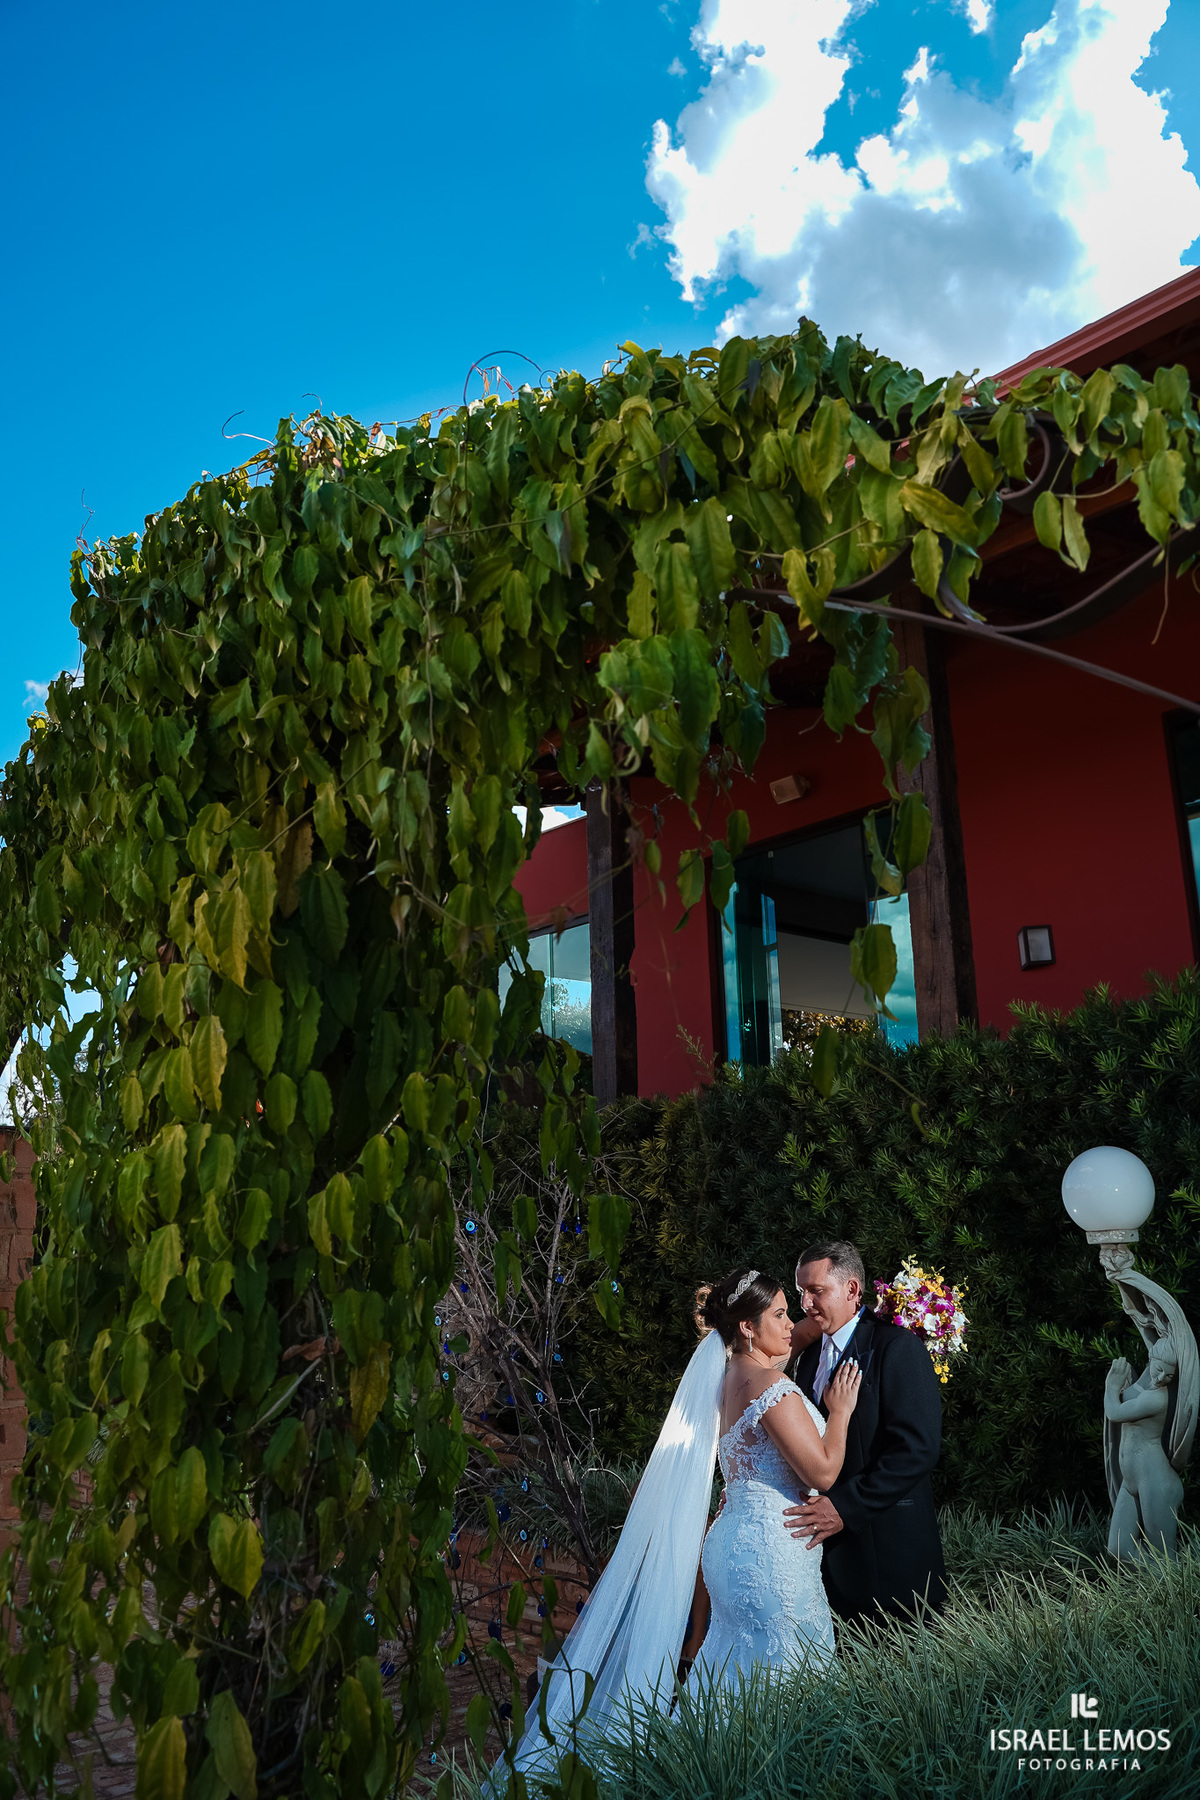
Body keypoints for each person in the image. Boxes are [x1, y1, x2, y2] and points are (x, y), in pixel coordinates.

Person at [502, 1267, 861, 1776]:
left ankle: (701, 1773)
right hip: (771, 1555)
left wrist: (829, 1313)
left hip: (730, 1545)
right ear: (747, 1328)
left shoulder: (727, 1378)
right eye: (780, 1313)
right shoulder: (772, 1385)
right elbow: (822, 1471)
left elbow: (795, 1337)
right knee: (788, 1669)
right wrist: (840, 1411)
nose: (793, 1321)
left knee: (734, 1667)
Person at [785, 1239, 947, 1623]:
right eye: (801, 1292)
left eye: (816, 1291)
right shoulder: (807, 1359)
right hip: (826, 1565)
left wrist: (845, 1506)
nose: (805, 1304)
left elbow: (917, 1449)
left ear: (852, 1290)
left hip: (890, 1560)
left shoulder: (897, 1347)